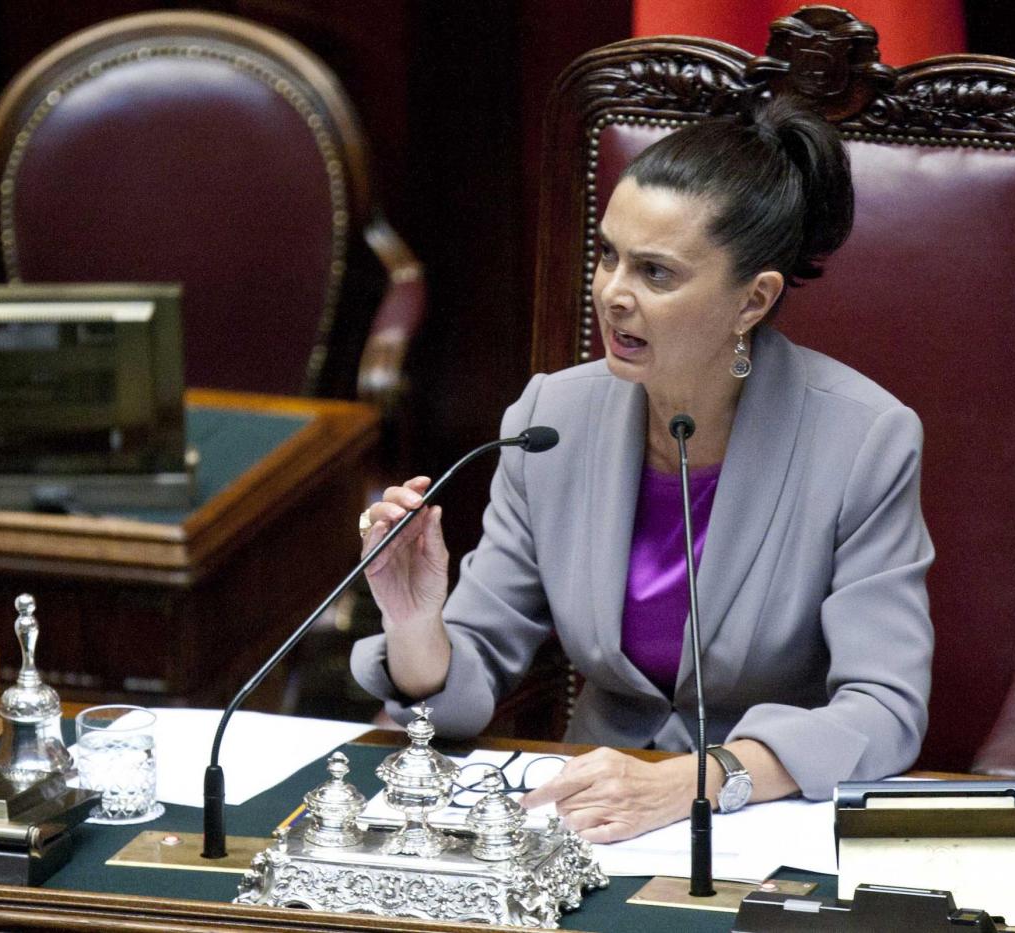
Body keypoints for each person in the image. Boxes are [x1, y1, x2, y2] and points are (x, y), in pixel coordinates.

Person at [350, 95, 934, 844]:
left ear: (753, 300)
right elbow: (468, 682)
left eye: (655, 272)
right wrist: (413, 624)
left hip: (768, 822)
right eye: (608, 256)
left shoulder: (862, 439)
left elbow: (885, 709)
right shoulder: (551, 418)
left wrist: (697, 781)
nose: (612, 293)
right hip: (586, 817)